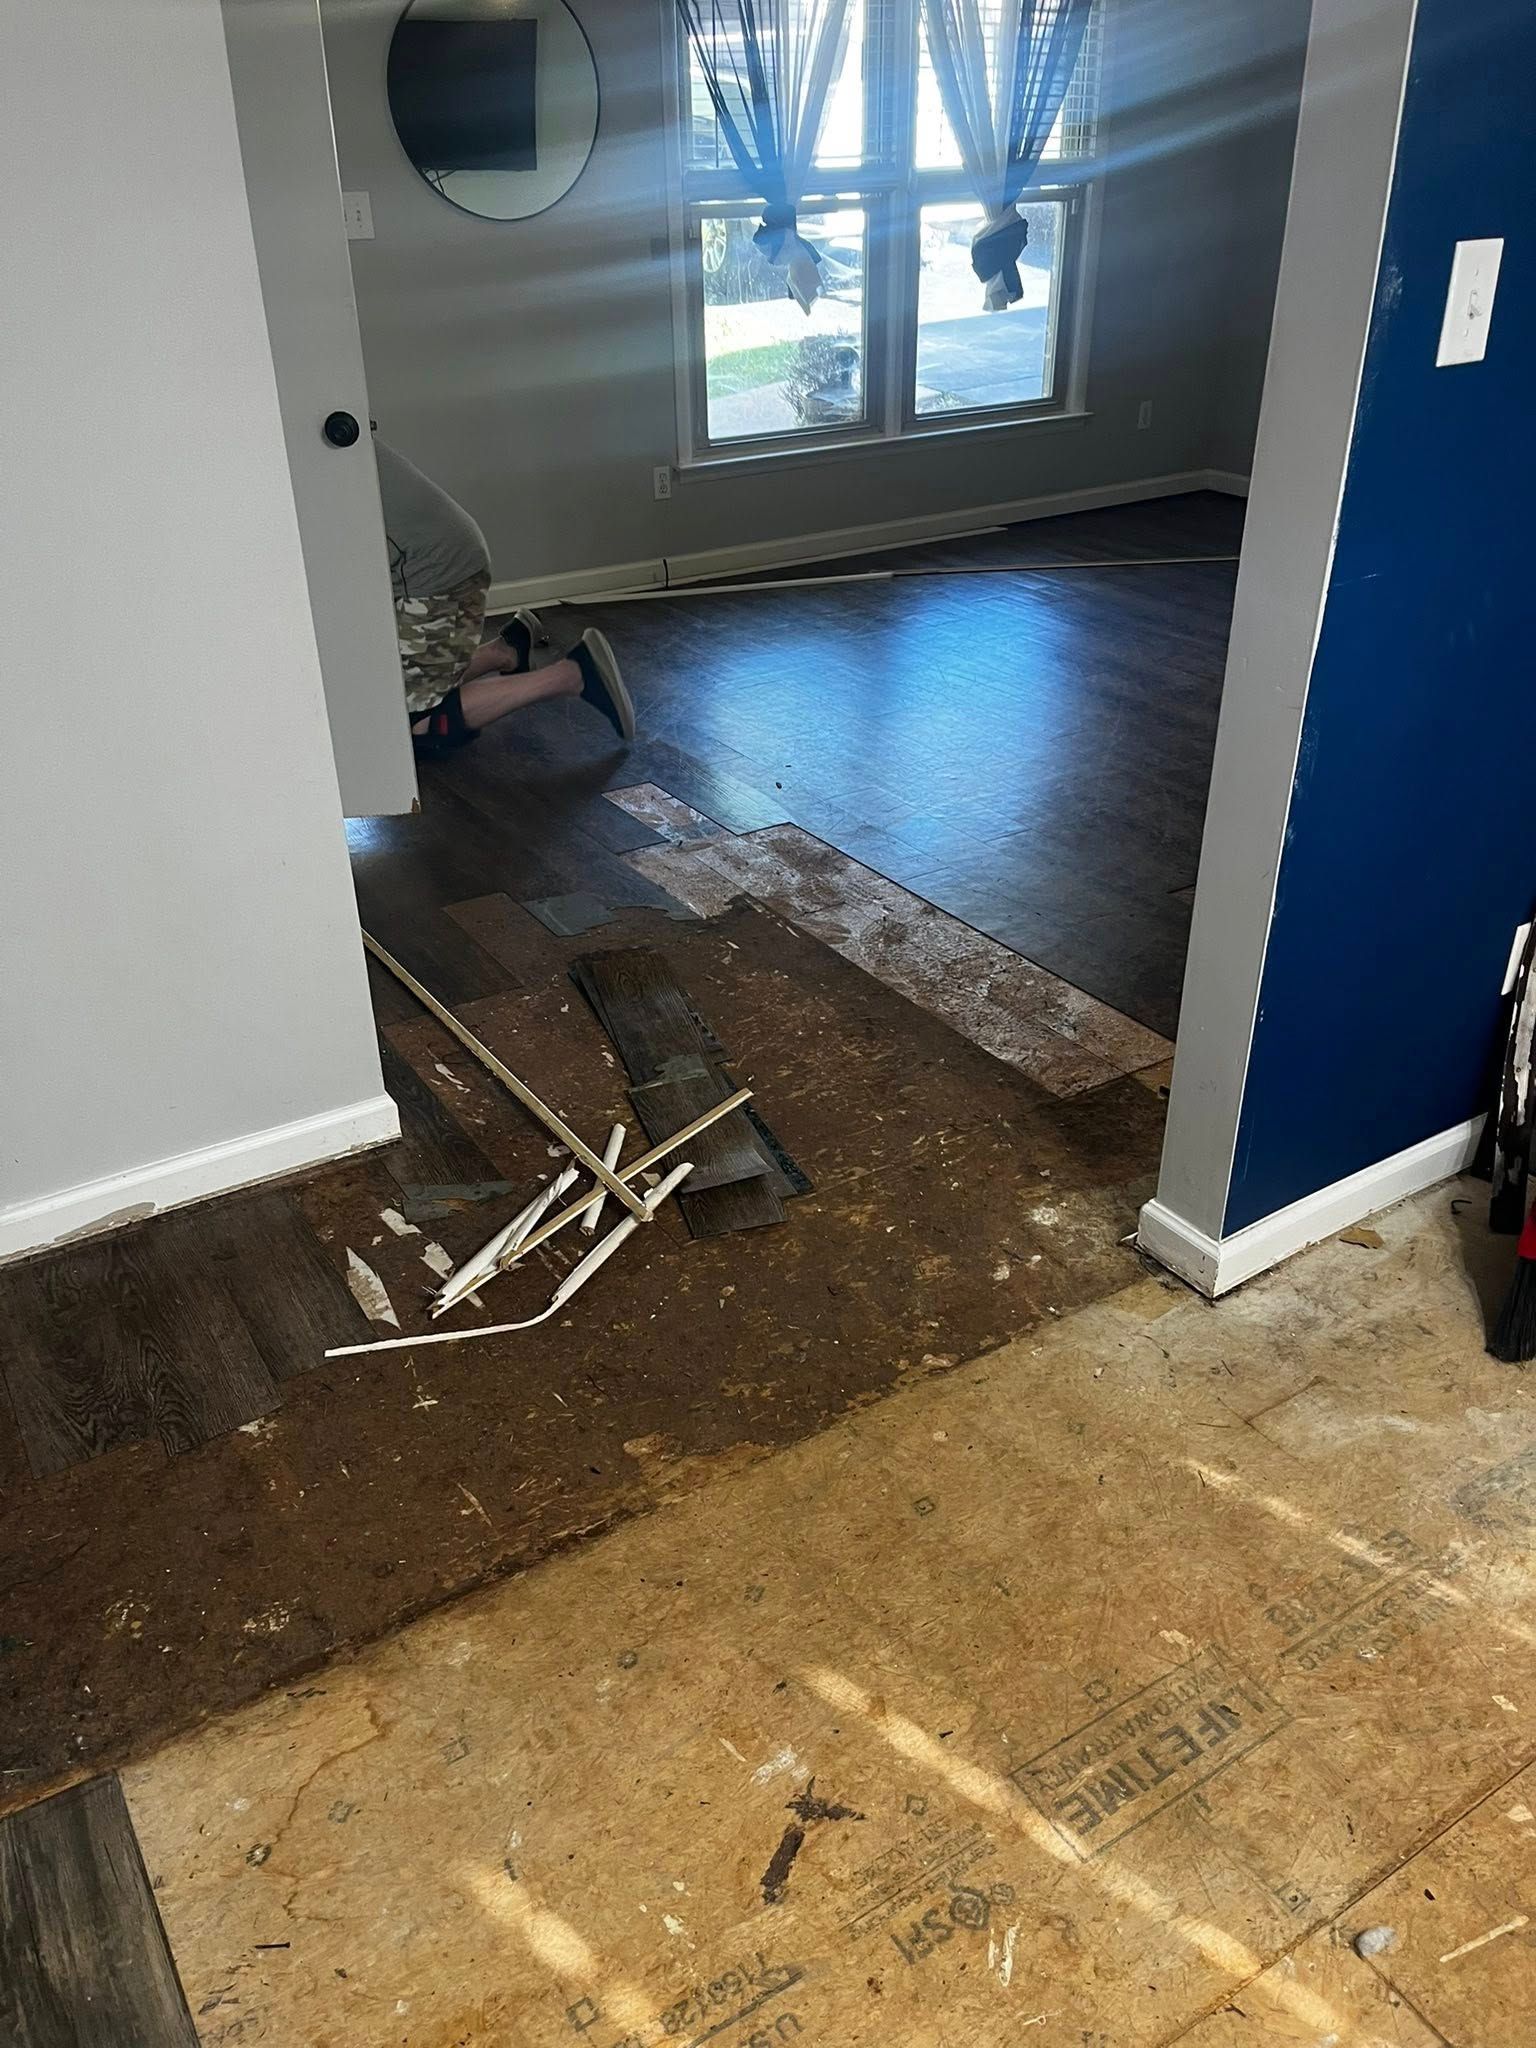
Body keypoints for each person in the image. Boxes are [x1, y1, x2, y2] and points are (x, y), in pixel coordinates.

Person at [373, 434, 634, 762]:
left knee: (412, 722)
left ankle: (575, 673)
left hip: (434, 574)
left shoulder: (317, 459)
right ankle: (506, 650)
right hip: (441, 560)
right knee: (387, 693)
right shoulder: (330, 435)